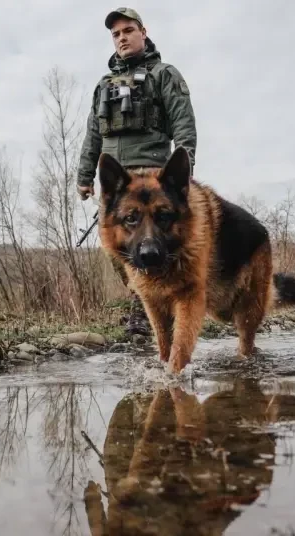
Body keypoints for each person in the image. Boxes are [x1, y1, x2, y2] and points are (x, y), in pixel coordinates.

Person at [76, 7, 197, 336]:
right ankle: (145, 301)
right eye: (116, 34)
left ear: (143, 32)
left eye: (128, 30)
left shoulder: (164, 74)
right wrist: (85, 177)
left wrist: (183, 174)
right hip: (115, 183)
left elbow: (184, 124)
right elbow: (93, 135)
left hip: (152, 176)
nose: (122, 38)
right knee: (118, 248)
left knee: (155, 241)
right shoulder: (104, 86)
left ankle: (150, 313)